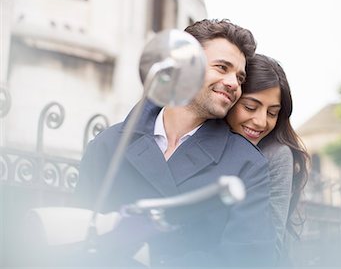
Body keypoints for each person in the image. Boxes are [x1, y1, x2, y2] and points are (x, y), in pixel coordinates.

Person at [73, 19, 276, 267]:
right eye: (222, 67)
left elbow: (247, 260)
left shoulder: (248, 165)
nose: (234, 84)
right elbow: (78, 234)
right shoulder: (109, 145)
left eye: (240, 77)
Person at [226, 53, 309, 265]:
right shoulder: (205, 141)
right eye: (250, 107)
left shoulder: (276, 154)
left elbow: (272, 246)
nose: (261, 122)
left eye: (272, 113)